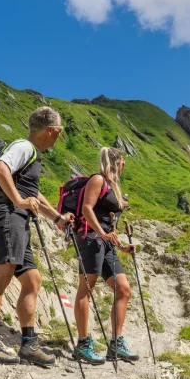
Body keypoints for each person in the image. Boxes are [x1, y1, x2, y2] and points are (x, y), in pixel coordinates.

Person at [0, 107, 75, 366]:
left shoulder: (32, 155)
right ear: (51, 130)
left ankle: (28, 344)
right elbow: (0, 168)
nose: (60, 135)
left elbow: (33, 193)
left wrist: (58, 218)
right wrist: (18, 201)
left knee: (32, 280)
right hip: (6, 217)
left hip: (16, 220)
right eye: (60, 131)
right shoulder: (24, 147)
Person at [73, 147, 138, 365]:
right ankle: (83, 343)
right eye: (122, 162)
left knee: (124, 290)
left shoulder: (113, 186)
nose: (124, 165)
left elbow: (108, 223)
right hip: (91, 239)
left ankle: (116, 344)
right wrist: (101, 234)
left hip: (106, 244)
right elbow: (87, 209)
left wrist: (120, 246)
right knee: (86, 289)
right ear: (115, 162)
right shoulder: (98, 180)